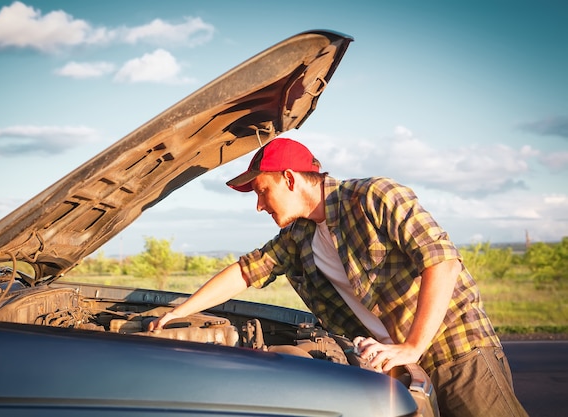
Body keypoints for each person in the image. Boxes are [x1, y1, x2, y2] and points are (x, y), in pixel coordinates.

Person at [149, 137, 529, 417]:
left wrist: (413, 346)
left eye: (263, 191)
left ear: (290, 179)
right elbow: (245, 272)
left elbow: (441, 262)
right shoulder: (297, 238)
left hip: (457, 354)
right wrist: (179, 311)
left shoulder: (375, 196)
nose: (259, 204)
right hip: (396, 366)